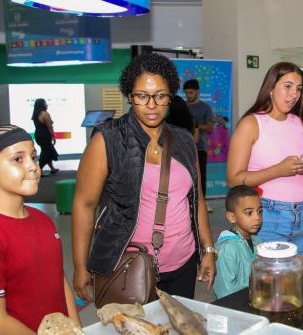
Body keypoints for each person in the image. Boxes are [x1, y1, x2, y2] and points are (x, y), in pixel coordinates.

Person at [72, 53, 216, 302]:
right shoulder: (107, 140)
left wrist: (208, 249)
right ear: (130, 95)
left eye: (160, 96)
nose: (151, 105)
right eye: (142, 96)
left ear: (171, 96)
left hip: (182, 265)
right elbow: (84, 205)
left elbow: (198, 200)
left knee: (176, 323)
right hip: (128, 269)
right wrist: (80, 266)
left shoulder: (183, 140)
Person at [0, 125, 80, 334]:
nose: (33, 166)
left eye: (33, 157)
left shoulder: (43, 220)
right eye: (18, 159)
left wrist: (76, 329)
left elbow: (59, 280)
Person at [227, 61, 303, 254]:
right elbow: (234, 180)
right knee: (274, 273)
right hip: (268, 217)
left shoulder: (299, 123)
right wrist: (278, 170)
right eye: (287, 86)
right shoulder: (251, 124)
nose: (294, 94)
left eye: (298, 89)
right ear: (270, 88)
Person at [212, 185, 262, 299]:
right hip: (233, 305)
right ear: (232, 217)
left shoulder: (256, 240)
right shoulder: (227, 249)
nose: (257, 217)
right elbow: (225, 292)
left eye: (260, 211)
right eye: (249, 213)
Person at [184, 79, 215, 195]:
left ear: (197, 91)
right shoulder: (182, 106)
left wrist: (195, 124)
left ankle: (202, 202)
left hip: (200, 148)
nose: (188, 95)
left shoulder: (205, 107)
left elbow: (209, 128)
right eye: (186, 93)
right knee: (184, 177)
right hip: (183, 148)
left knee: (201, 177)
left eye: (191, 92)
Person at [31, 98, 60, 175]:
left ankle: (52, 168)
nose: (46, 104)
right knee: (46, 152)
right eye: (45, 103)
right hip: (45, 135)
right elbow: (49, 126)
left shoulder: (36, 114)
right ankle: (39, 170)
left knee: (47, 151)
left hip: (38, 135)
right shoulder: (45, 113)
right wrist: (53, 136)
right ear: (42, 105)